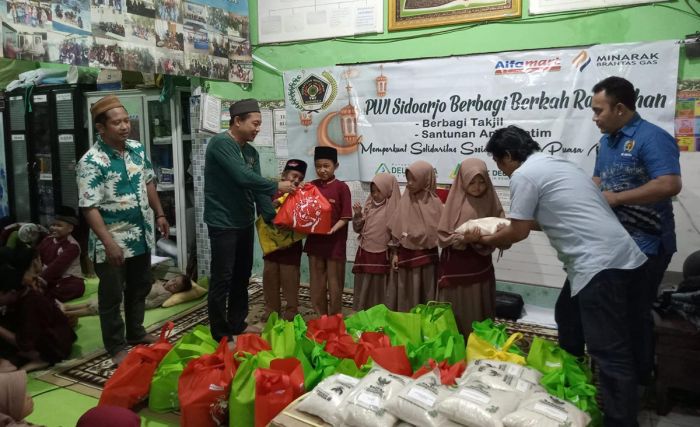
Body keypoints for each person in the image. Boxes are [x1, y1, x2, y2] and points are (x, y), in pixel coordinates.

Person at [480, 126, 647, 426]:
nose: (500, 170)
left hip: (598, 264)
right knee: (567, 317)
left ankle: (621, 419)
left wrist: (487, 239)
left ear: (507, 156)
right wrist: (506, 225)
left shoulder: (524, 175)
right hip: (617, 257)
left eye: (497, 162)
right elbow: (552, 219)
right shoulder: (557, 165)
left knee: (607, 347)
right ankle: (571, 381)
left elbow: (517, 231)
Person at [591, 76, 682, 384]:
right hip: (615, 244)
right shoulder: (606, 142)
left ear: (619, 108)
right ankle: (617, 378)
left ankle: (640, 379)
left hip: (648, 245)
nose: (595, 118)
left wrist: (616, 198)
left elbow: (669, 184)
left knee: (635, 314)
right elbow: (598, 183)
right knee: (614, 313)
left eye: (598, 110)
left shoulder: (651, 137)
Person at [77, 95, 170, 365]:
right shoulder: (91, 162)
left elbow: (149, 182)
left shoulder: (137, 150)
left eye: (126, 120)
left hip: (140, 236)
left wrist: (160, 213)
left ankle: (136, 332)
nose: (124, 126)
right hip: (113, 240)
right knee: (111, 294)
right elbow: (88, 207)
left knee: (140, 286)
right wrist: (109, 243)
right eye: (116, 123)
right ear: (101, 128)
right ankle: (116, 344)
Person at [204, 99, 295, 343]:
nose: (257, 129)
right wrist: (278, 184)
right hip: (222, 222)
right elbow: (243, 177)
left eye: (260, 124)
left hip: (243, 221)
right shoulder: (220, 144)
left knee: (241, 274)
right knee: (222, 276)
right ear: (237, 121)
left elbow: (257, 190)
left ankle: (237, 322)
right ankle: (220, 332)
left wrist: (273, 217)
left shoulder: (251, 152)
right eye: (254, 124)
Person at [437, 159, 503, 335]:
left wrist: (487, 237)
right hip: (456, 266)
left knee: (478, 302)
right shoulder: (455, 200)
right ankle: (455, 340)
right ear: (463, 180)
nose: (478, 187)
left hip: (480, 264)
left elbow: (501, 224)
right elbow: (443, 235)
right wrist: (463, 239)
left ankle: (478, 340)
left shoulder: (490, 199)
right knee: (457, 305)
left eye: (482, 181)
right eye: (472, 181)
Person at [0, 246, 77, 372]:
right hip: (24, 337)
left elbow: (25, 343)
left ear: (12, 292)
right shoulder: (16, 292)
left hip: (51, 344)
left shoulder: (32, 302)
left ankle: (40, 359)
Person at [388, 160, 443, 312]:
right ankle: (406, 327)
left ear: (426, 179)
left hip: (427, 262)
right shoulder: (405, 200)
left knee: (425, 297)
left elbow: (439, 235)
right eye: (408, 179)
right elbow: (396, 230)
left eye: (414, 179)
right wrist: (394, 254)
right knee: (405, 297)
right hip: (405, 257)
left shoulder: (436, 204)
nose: (410, 183)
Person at [304, 146, 352, 316]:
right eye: (318, 166)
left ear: (336, 166)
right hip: (315, 243)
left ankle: (335, 318)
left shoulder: (342, 188)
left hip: (335, 244)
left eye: (326, 166)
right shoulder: (310, 186)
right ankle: (320, 317)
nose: (322, 170)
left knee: (335, 284)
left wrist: (332, 230)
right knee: (316, 284)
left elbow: (346, 217)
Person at [262, 159, 307, 321]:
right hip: (272, 246)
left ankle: (291, 311)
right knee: (270, 279)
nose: (296, 180)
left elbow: (305, 218)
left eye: (300, 178)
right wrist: (272, 206)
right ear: (283, 175)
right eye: (294, 176)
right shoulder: (270, 190)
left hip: (291, 247)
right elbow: (262, 212)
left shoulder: (301, 195)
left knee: (290, 281)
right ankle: (271, 310)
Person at [351, 173, 400, 311]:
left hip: (383, 255)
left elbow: (396, 234)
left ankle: (378, 314)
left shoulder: (394, 208)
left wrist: (395, 253)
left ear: (388, 190)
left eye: (379, 190)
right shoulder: (369, 206)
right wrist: (358, 215)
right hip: (365, 252)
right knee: (364, 284)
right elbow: (358, 228)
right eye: (373, 191)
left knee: (380, 287)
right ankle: (362, 311)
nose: (375, 194)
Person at [62, 274, 193, 318]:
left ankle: (67, 314)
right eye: (173, 281)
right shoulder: (161, 282)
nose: (172, 284)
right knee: (95, 300)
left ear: (176, 292)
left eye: (176, 286)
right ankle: (67, 307)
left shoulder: (165, 294)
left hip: (130, 301)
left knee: (94, 309)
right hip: (126, 293)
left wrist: (137, 299)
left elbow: (152, 304)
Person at [36, 206, 85, 302]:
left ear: (70, 228)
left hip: (67, 280)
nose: (54, 228)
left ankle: (43, 296)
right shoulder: (47, 239)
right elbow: (36, 256)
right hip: (48, 279)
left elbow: (56, 267)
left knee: (76, 287)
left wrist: (39, 280)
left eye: (59, 226)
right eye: (53, 225)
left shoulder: (72, 246)